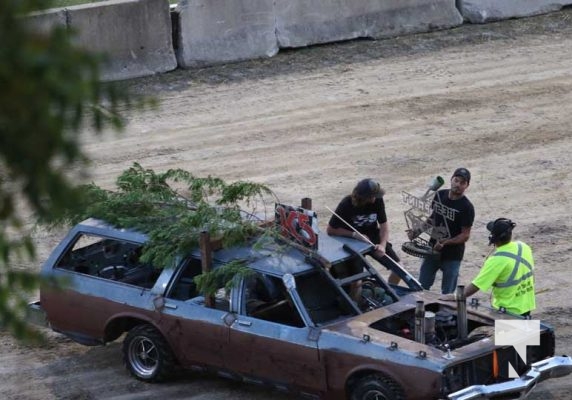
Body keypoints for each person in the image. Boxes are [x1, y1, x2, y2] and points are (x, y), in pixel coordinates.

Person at [440, 218, 535, 317]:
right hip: (527, 304)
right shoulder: (523, 246)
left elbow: (476, 285)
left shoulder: (497, 260)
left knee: (510, 333)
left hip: (509, 310)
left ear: (493, 238)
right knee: (524, 332)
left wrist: (456, 296)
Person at [409, 168, 475, 294]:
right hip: (432, 250)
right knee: (421, 288)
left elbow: (465, 235)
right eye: (456, 180)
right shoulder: (440, 195)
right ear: (451, 179)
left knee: (448, 294)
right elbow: (433, 218)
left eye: (462, 183)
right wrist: (417, 231)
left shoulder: (467, 207)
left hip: (452, 256)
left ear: (467, 186)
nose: (458, 185)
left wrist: (445, 243)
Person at [327, 178, 402, 288]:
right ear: (362, 196)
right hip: (353, 242)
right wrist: (354, 235)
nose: (374, 199)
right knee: (357, 282)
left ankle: (388, 294)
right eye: (371, 197)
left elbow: (384, 226)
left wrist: (382, 245)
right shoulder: (346, 204)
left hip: (372, 236)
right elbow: (330, 230)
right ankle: (356, 302)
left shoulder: (378, 200)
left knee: (399, 269)